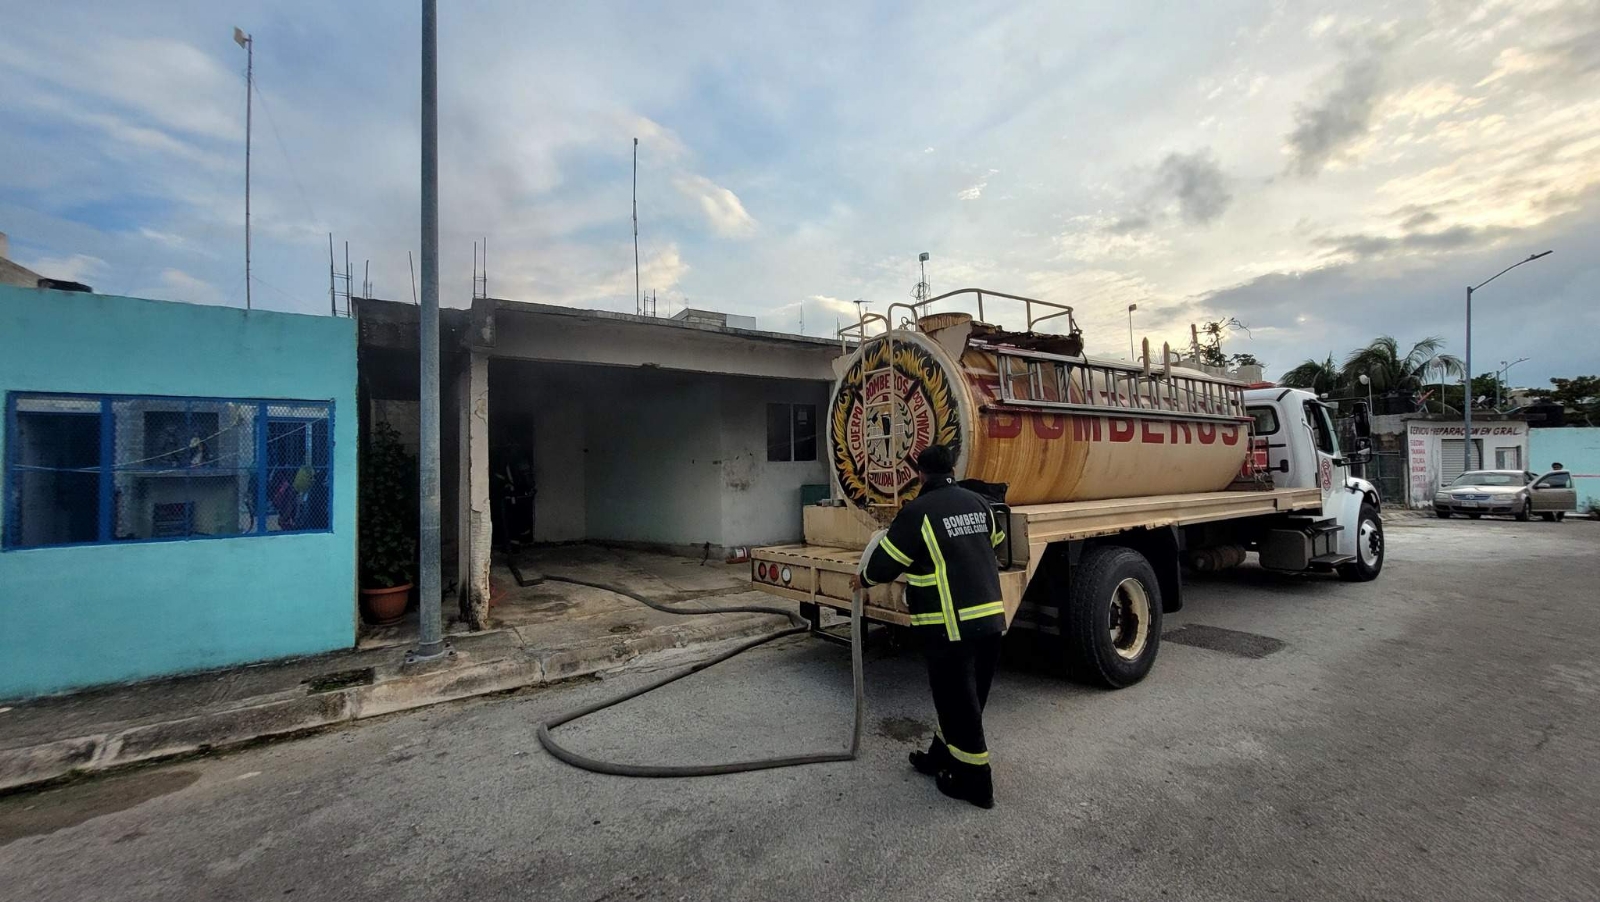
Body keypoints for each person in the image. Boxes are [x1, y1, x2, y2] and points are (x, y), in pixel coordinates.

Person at [851, 444, 1006, 809]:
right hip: (989, 619)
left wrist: (863, 579)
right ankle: (943, 755)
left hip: (949, 624)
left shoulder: (918, 512)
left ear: (920, 474)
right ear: (951, 468)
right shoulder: (979, 502)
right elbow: (996, 541)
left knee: (956, 700)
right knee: (968, 699)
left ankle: (976, 784)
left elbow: (887, 560)